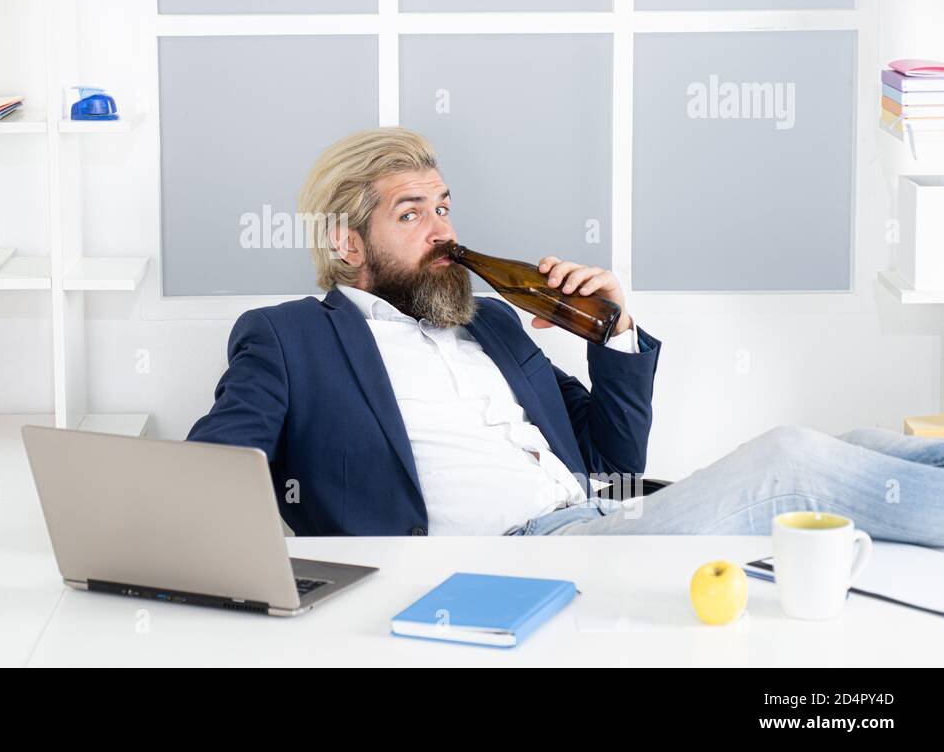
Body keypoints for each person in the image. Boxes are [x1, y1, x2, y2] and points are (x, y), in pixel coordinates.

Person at [187, 129, 944, 544]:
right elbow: (210, 478)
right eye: (411, 213)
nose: (444, 228)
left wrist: (613, 330)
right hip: (523, 558)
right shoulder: (289, 338)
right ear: (347, 243)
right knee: (789, 459)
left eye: (444, 205)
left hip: (605, 520)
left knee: (865, 444)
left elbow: (614, 461)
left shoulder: (488, 321)